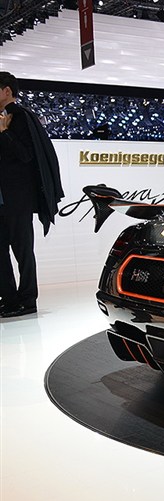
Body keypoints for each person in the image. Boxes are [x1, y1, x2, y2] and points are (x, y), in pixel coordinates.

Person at [0, 71, 64, 318]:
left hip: (17, 199)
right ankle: (9, 299)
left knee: (22, 250)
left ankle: (28, 300)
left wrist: (5, 133)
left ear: (7, 91)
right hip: (3, 198)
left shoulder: (20, 117)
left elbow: (26, 156)